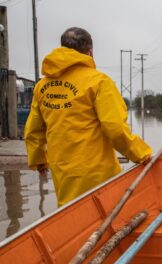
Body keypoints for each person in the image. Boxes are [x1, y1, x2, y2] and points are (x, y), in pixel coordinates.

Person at [24, 27, 152, 207]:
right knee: (101, 217)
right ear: (90, 52)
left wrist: (38, 160)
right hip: (97, 173)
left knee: (71, 216)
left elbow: (34, 130)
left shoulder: (42, 86)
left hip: (62, 172)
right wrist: (142, 154)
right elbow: (115, 129)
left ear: (63, 49)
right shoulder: (99, 82)